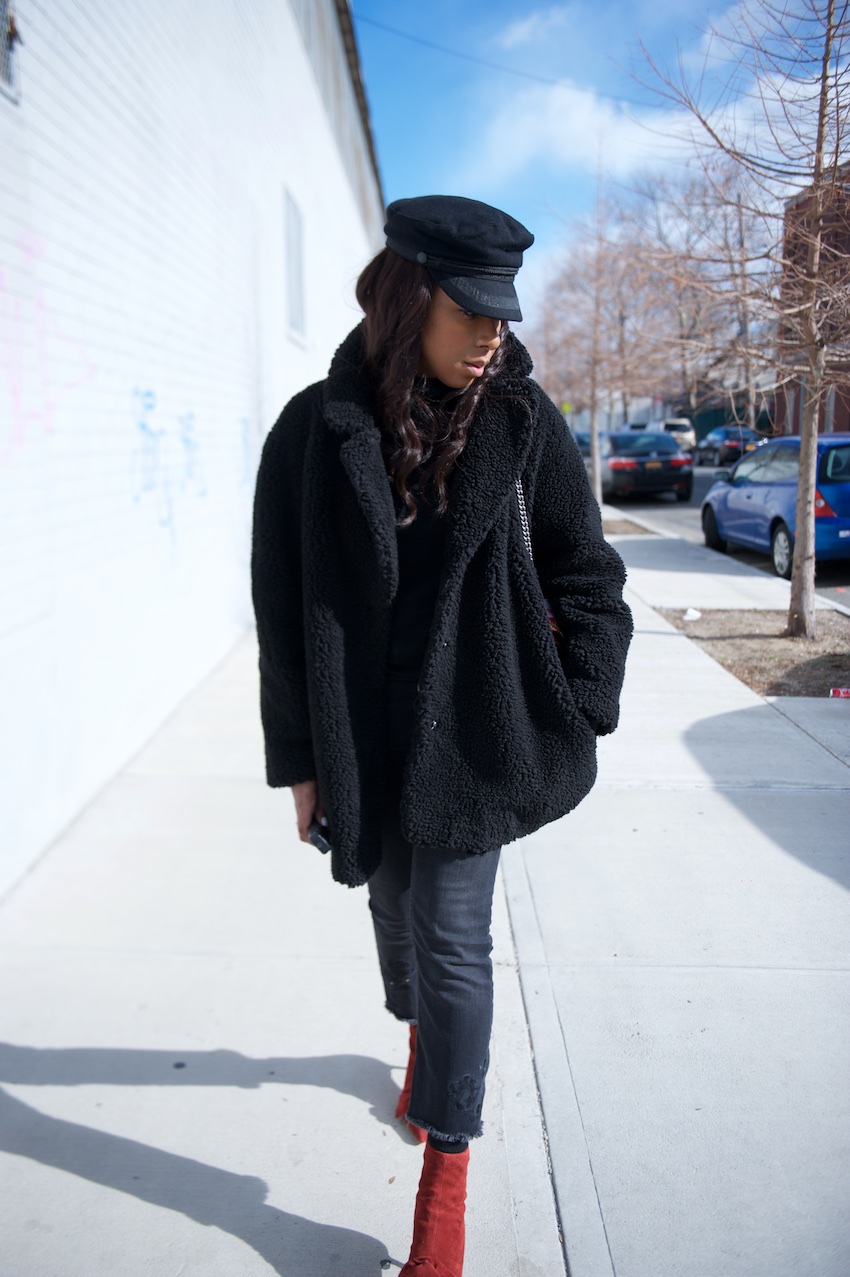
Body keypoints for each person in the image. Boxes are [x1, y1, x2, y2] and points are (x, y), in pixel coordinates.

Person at [251, 195, 632, 1276]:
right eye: (471, 312)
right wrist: (304, 761)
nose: (492, 336)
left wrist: (581, 697)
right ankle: (422, 1040)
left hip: (475, 731)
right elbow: (283, 613)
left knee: (454, 938)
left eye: (504, 316)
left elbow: (585, 571)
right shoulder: (310, 433)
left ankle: (445, 1178)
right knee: (391, 909)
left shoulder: (521, 420)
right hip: (365, 735)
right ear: (410, 296)